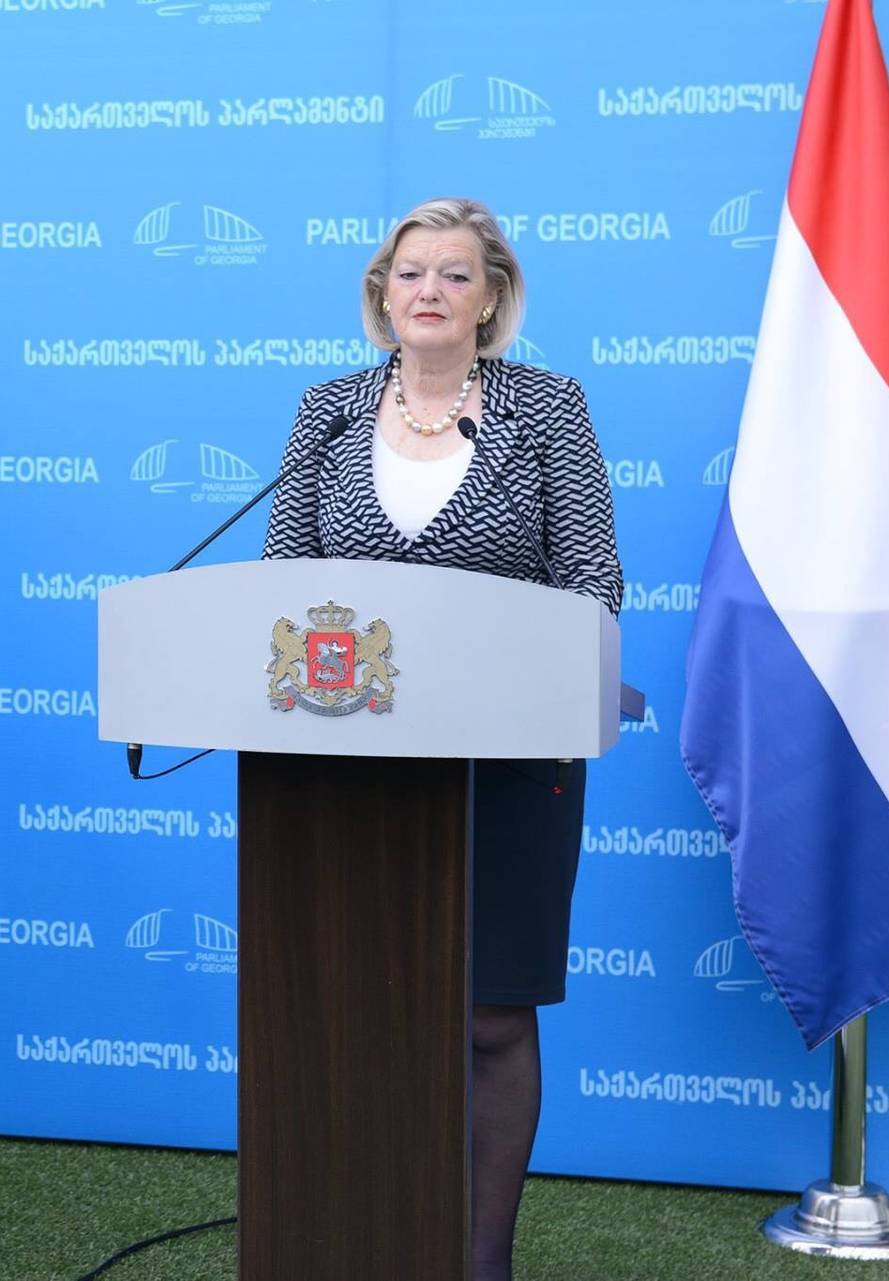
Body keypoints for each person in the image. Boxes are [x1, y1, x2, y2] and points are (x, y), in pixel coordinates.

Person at [260, 196, 623, 1281]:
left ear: (492, 297)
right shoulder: (325, 412)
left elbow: (594, 579)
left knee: (490, 1019)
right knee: (353, 1002)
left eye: (455, 275)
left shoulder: (547, 409)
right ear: (381, 294)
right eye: (409, 272)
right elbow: (283, 585)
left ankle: (480, 1262)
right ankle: (361, 1237)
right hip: (346, 764)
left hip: (513, 758)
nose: (428, 291)